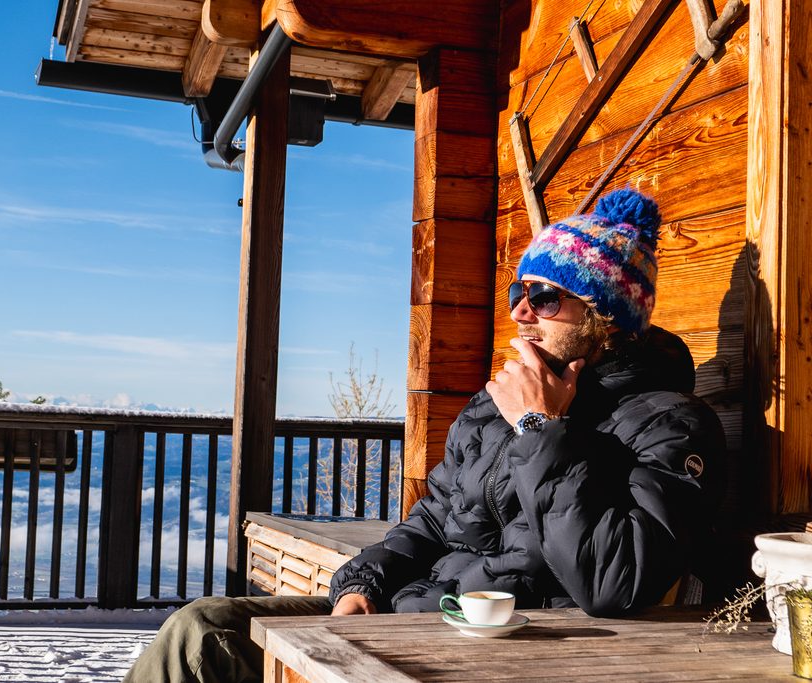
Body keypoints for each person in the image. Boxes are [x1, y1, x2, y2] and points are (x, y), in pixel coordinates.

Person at [125, 188, 725, 682]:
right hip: (411, 612)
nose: (520, 312)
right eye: (518, 293)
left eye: (544, 297)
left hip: (510, 646)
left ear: (605, 316)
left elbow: (614, 582)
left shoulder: (669, 424)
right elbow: (433, 521)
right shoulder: (494, 406)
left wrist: (540, 428)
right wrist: (364, 583)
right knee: (201, 630)